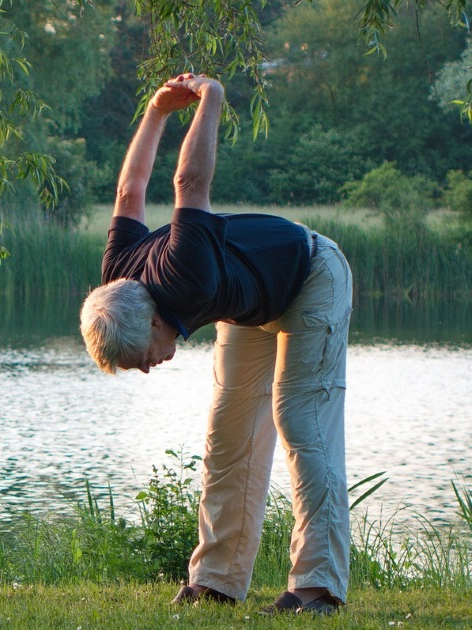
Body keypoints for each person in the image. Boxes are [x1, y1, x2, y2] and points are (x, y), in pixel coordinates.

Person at [79, 73, 353, 615]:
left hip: (312, 276)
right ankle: (216, 580)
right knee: (227, 435)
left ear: (154, 323)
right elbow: (128, 192)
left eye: (141, 361)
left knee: (300, 421)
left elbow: (189, 183)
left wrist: (212, 100)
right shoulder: (118, 275)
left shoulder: (186, 275)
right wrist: (155, 112)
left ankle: (318, 587)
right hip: (250, 301)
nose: (149, 370)